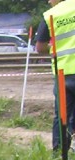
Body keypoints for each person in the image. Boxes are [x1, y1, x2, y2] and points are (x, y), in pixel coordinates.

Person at [36, 0, 75, 151]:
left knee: (62, 116)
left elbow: (40, 47)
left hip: (62, 73)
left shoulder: (50, 15)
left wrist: (54, 48)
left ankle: (59, 153)